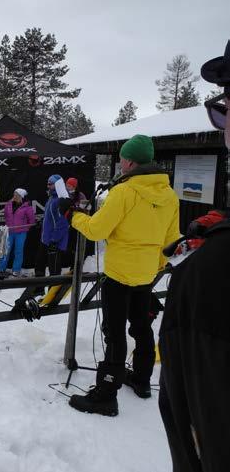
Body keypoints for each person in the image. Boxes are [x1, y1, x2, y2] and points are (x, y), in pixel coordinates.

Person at [59, 134, 180, 417]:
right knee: (141, 327)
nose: (121, 163)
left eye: (123, 158)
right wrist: (157, 265)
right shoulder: (169, 194)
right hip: (147, 273)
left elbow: (97, 230)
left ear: (130, 161)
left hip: (119, 272)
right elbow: (171, 239)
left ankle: (106, 394)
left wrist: (73, 216)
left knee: (114, 333)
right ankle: (141, 379)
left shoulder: (124, 192)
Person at [157, 42, 230, 471]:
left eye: (226, 109)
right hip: (147, 270)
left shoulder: (213, 272)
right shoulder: (172, 201)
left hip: (127, 272)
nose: (223, 125)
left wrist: (77, 223)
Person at [34, 175, 69, 295]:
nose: (48, 186)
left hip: (55, 241)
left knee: (54, 269)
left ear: (58, 185)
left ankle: (53, 294)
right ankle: (39, 289)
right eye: (47, 183)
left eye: (51, 184)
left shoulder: (61, 200)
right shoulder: (51, 198)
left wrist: (54, 240)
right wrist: (42, 221)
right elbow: (51, 218)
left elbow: (63, 224)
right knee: (39, 265)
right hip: (45, 239)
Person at [0, 188, 35, 276]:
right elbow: (6, 216)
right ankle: (0, 269)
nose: (14, 196)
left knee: (18, 251)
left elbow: (32, 221)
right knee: (5, 250)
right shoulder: (8, 204)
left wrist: (25, 228)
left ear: (21, 196)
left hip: (21, 233)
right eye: (14, 194)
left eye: (16, 195)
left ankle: (16, 270)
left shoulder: (27, 207)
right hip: (9, 232)